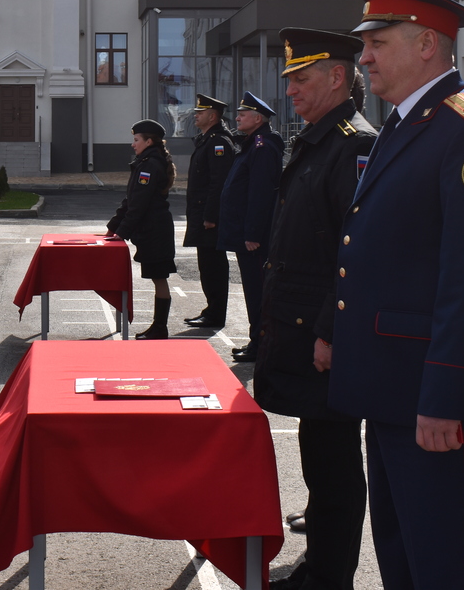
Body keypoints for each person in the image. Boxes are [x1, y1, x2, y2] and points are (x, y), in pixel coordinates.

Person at [329, 0, 464, 590]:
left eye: (375, 44)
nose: (362, 59)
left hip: (433, 398)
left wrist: (444, 399)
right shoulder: (407, 123)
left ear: (426, 44)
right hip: (393, 386)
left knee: (448, 563)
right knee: (403, 556)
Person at [255, 30, 377, 590]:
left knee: (333, 462)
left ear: (336, 77)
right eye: (288, 81)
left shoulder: (352, 144)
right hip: (300, 328)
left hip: (322, 336)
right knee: (319, 453)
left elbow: (354, 254)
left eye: (302, 79)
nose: (291, 92)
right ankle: (322, 566)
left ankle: (330, 577)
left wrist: (330, 331)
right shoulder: (317, 139)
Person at [217, 92, 284, 362]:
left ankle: (260, 344)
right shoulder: (252, 144)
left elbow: (261, 193)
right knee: (253, 290)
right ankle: (256, 339)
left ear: (258, 119)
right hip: (245, 233)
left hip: (254, 238)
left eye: (242, 114)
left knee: (258, 292)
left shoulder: (262, 147)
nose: (237, 117)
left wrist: (253, 234)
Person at [107, 119, 177, 339]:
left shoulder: (149, 165)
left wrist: (122, 232)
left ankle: (160, 327)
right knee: (158, 277)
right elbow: (131, 199)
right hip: (152, 230)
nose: (133, 144)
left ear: (148, 141)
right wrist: (113, 228)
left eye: (136, 140)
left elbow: (139, 204)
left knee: (159, 277)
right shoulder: (146, 161)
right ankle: (159, 327)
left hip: (155, 231)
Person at [182, 94, 235, 330]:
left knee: (213, 266)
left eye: (200, 113)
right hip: (202, 214)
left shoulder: (218, 142)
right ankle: (211, 310)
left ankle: (215, 313)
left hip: (209, 217)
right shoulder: (207, 139)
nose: (196, 115)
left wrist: (211, 216)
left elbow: (219, 182)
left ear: (212, 116)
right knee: (207, 264)